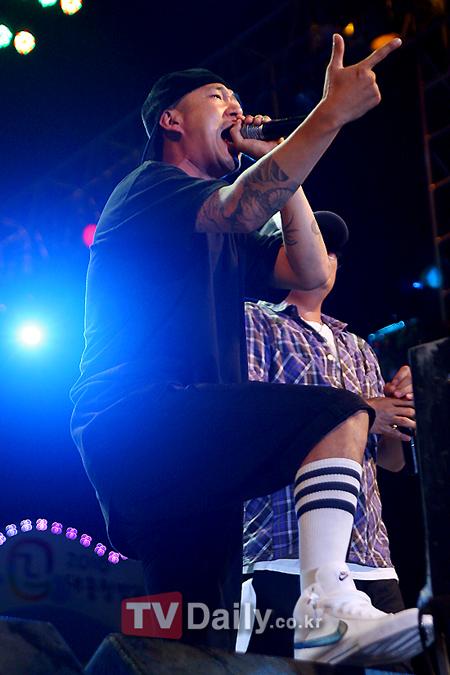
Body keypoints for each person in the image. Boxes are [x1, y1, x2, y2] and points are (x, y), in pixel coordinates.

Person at [70, 35, 425, 664]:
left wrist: (276, 157)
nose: (235, 106)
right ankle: (325, 608)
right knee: (341, 411)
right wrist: (328, 116)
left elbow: (308, 270)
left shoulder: (229, 233)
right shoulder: (148, 187)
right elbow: (238, 207)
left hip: (188, 445)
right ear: (171, 120)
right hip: (136, 415)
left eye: (236, 96)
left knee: (192, 638)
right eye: (218, 97)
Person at [239, 211, 415, 663]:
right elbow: (251, 424)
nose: (326, 257)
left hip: (371, 559)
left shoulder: (358, 347)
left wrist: (398, 409)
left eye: (332, 249)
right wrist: (365, 411)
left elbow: (390, 462)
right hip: (284, 554)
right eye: (313, 243)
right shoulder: (257, 322)